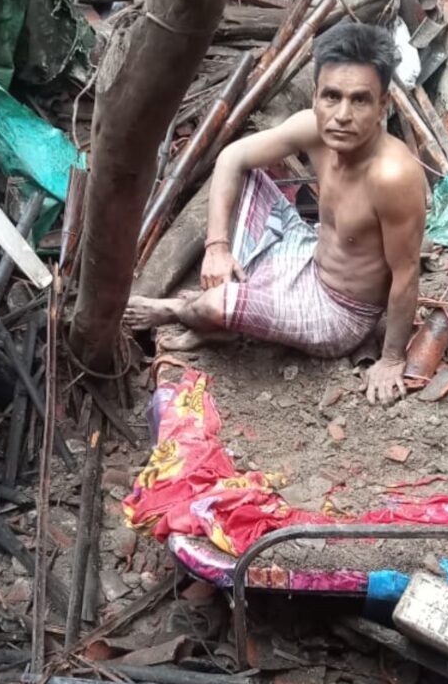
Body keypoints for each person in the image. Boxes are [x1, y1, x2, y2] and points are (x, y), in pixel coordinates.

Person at [125, 22, 426, 405]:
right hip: (306, 256)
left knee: (215, 304)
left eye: (360, 100)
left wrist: (391, 358)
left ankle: (179, 310)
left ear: (383, 105)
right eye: (331, 96)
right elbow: (232, 158)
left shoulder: (392, 176)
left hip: (339, 312)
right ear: (315, 97)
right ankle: (229, 313)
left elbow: (406, 273)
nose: (342, 115)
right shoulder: (314, 129)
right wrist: (217, 247)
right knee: (245, 175)